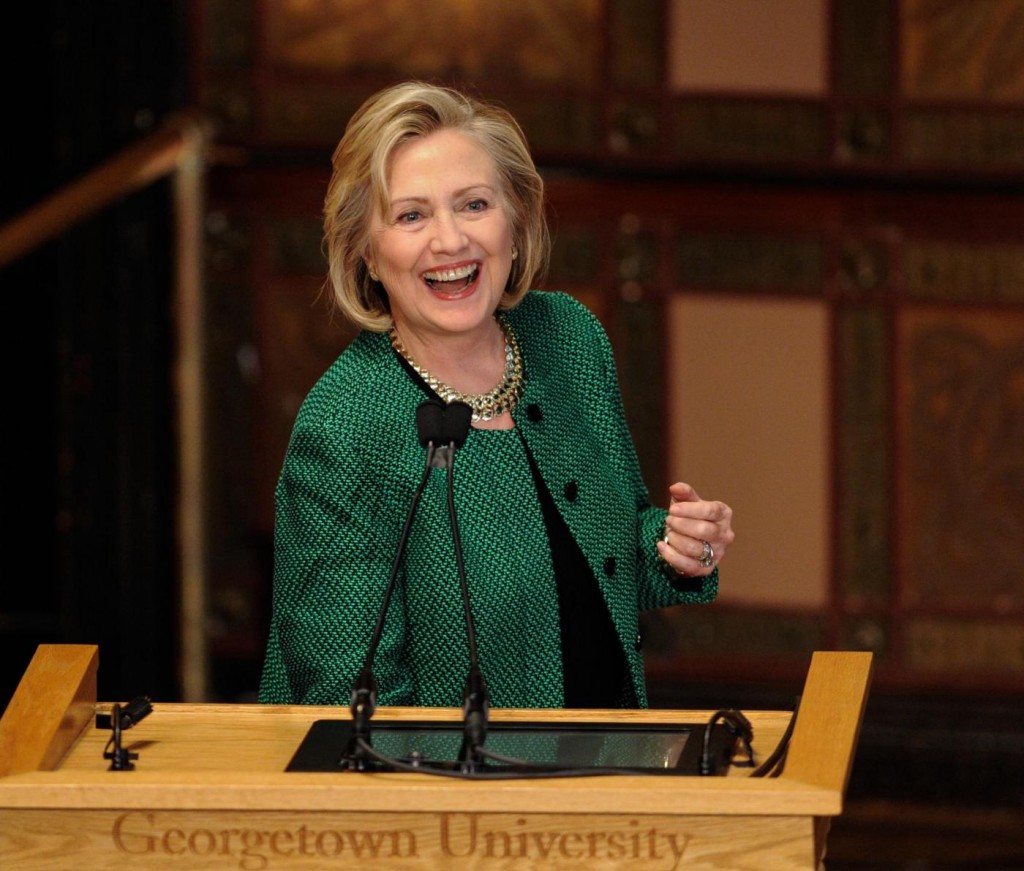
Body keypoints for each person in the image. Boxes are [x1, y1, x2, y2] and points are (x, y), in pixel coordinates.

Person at [258, 80, 734, 711]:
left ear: (516, 222)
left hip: (609, 752)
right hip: (449, 772)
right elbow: (350, 698)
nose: (450, 241)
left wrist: (677, 547)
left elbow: (605, 559)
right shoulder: (343, 428)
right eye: (411, 215)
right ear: (366, 252)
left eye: (474, 205)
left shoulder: (567, 337)